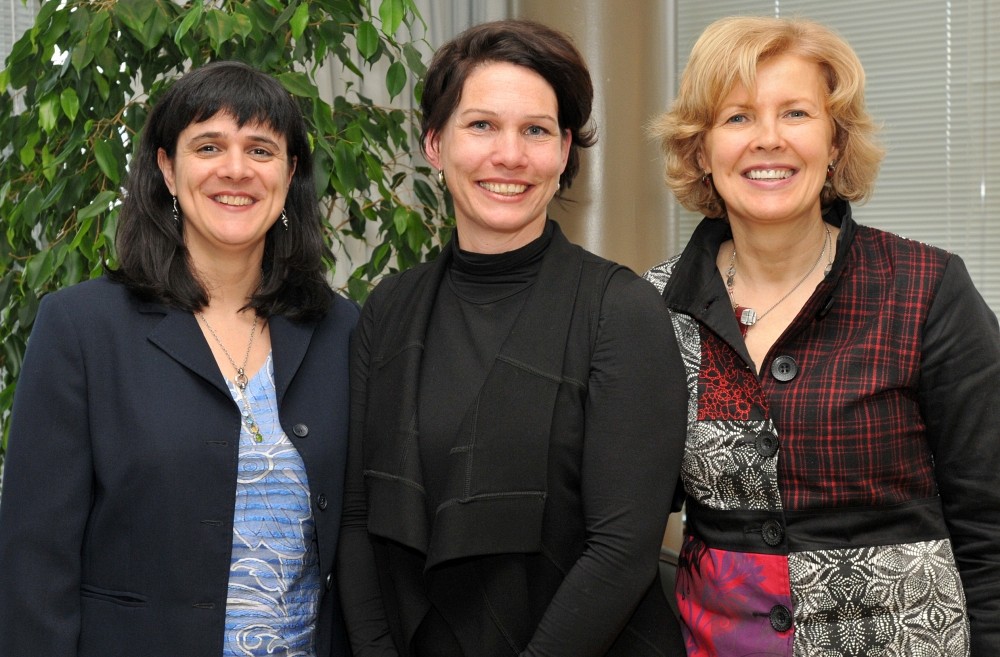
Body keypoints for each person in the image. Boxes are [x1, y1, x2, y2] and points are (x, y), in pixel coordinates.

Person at [644, 15, 1000, 657]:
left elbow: (989, 518)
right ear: (701, 150)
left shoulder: (926, 288)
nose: (768, 140)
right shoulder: (651, 307)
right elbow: (627, 509)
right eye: (737, 118)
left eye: (797, 114)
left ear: (835, 142)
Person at [337, 19, 687, 657]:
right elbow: (358, 523)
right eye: (481, 125)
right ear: (436, 146)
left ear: (563, 156)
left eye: (536, 131)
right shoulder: (389, 308)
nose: (511, 155)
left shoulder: (622, 311)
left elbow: (622, 552)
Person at [0, 61, 358, 656]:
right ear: (167, 168)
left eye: (261, 149)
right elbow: (34, 565)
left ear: (290, 172)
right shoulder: (81, 328)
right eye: (209, 145)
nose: (236, 170)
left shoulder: (339, 328)